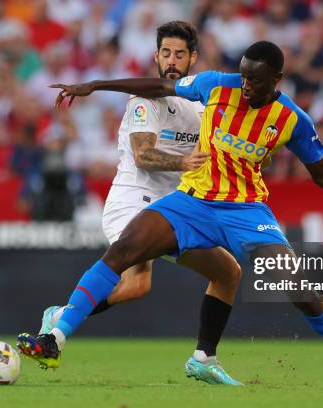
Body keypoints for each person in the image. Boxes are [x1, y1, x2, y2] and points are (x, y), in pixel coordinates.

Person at [21, 40, 323, 387]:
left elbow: (322, 175)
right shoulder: (217, 86)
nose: (246, 85)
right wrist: (96, 85)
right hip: (191, 202)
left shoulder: (291, 119)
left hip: (246, 211)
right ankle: (54, 337)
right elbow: (161, 86)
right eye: (243, 75)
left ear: (277, 80)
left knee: (299, 290)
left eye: (255, 80)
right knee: (124, 249)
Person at [21, 21, 243, 385]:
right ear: (156, 56)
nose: (172, 60)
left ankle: (203, 358)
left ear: (193, 59)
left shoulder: (203, 106)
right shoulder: (145, 99)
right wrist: (183, 162)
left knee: (223, 273)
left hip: (174, 210)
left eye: (180, 54)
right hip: (132, 201)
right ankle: (56, 334)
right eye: (166, 53)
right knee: (135, 276)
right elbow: (143, 155)